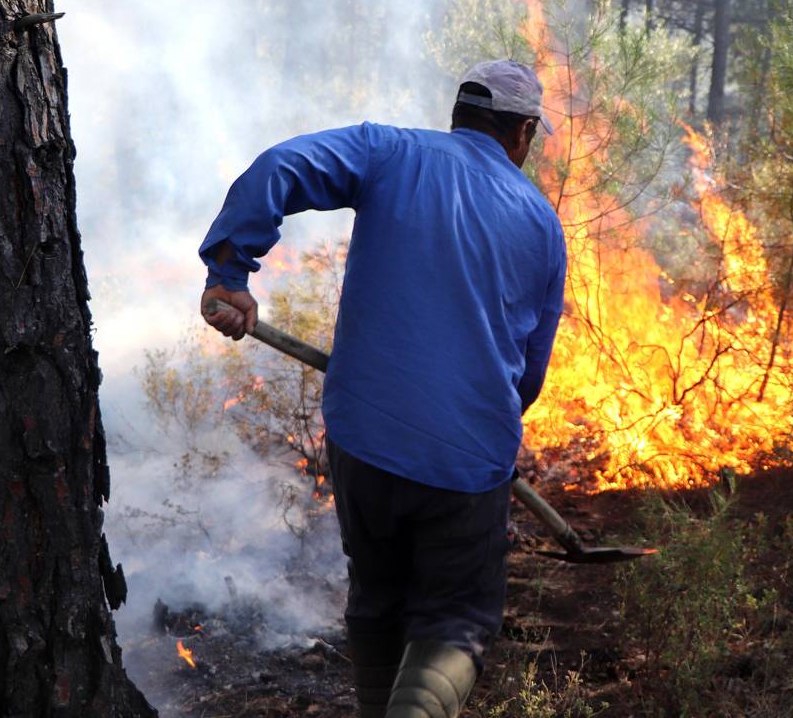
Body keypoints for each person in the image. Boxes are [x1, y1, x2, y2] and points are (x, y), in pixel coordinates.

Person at [197, 59, 566, 718]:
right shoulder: (542, 223)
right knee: (453, 622)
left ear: (458, 116)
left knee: (378, 597)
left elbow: (280, 166)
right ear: (524, 133)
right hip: (467, 457)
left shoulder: (392, 150)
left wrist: (230, 269)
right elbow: (530, 373)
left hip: (364, 442)